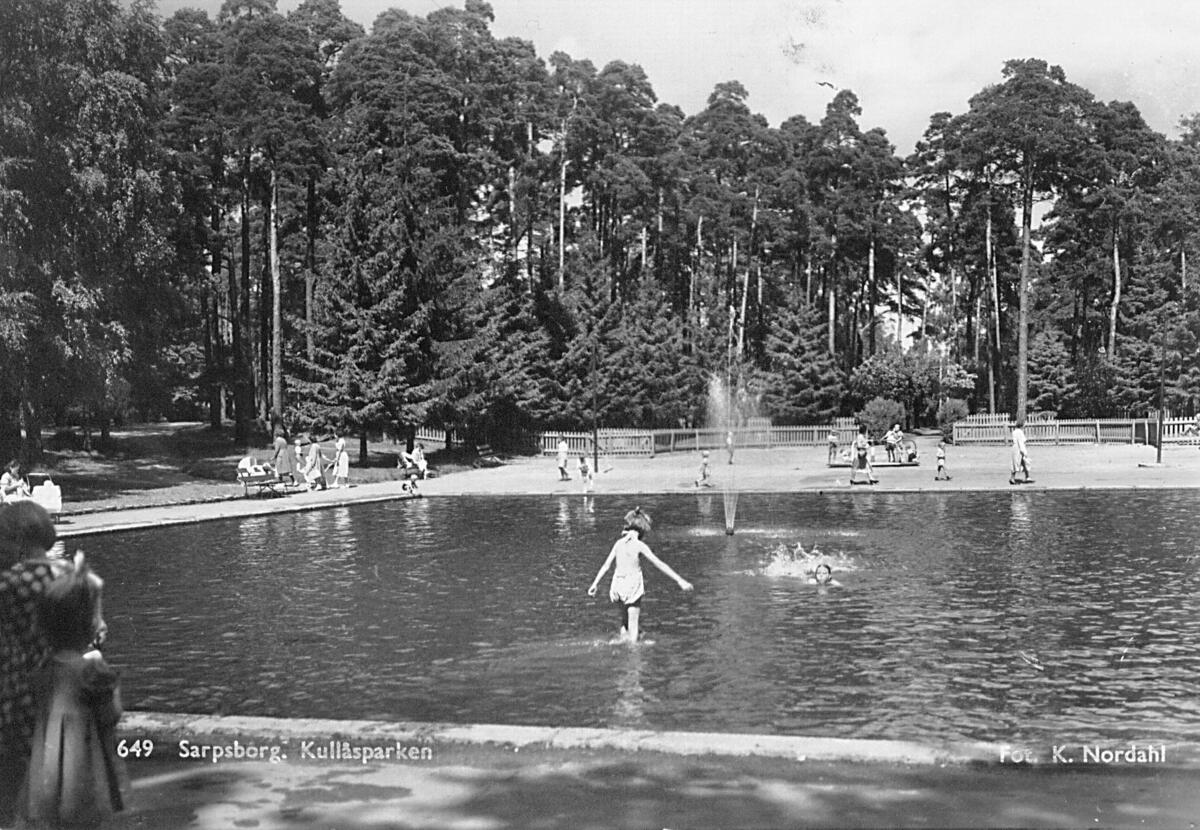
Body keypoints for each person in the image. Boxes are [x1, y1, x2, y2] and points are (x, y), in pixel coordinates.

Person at [17, 551, 123, 826]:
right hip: (84, 767)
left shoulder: (41, 670)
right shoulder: (92, 668)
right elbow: (111, 715)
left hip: (45, 770)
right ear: (90, 626)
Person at [0, 502, 63, 823]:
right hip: (61, 688)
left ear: (17, 540)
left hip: (19, 692)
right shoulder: (69, 575)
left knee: (16, 778)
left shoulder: (12, 583)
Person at [587, 507, 692, 643]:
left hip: (617, 585)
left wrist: (594, 584)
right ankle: (633, 652)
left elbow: (606, 566)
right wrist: (680, 580)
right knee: (634, 624)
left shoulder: (618, 544)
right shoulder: (639, 545)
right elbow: (659, 564)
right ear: (642, 530)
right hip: (632, 585)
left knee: (624, 622)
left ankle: (621, 643)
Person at [1010, 420, 1031, 484]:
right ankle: (1012, 478)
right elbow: (1020, 442)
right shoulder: (1019, 432)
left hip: (1015, 448)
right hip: (1019, 448)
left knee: (1023, 462)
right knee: (1017, 462)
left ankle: (1027, 476)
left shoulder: (1014, 431)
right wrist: (1024, 451)